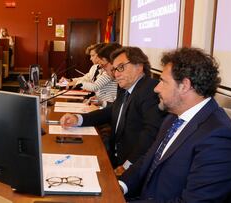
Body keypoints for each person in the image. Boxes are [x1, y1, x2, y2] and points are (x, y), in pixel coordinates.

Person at [118, 47, 231, 202]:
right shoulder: (173, 117)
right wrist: (120, 186)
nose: (156, 88)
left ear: (184, 86)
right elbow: (149, 158)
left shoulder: (218, 137)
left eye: (163, 81)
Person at [60, 46, 166, 175]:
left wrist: (128, 165)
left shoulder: (150, 89)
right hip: (115, 157)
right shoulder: (125, 87)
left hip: (132, 166)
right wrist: (78, 119)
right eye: (115, 69)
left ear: (139, 66)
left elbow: (150, 134)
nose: (116, 74)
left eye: (121, 67)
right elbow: (111, 111)